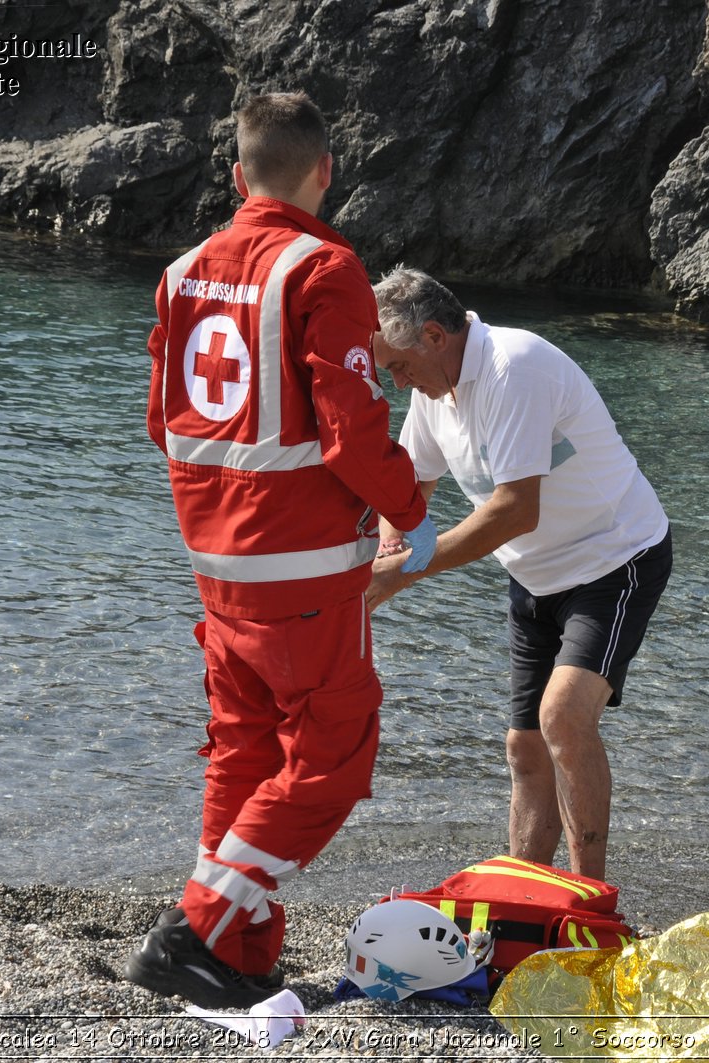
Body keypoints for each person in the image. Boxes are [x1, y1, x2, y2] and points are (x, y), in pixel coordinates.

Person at [126, 93, 437, 1010]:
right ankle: (191, 926)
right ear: (325, 171)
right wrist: (410, 515)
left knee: (245, 750)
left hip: (214, 564)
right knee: (333, 756)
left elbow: (160, 421)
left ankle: (238, 951)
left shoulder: (182, 271)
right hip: (299, 570)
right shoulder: (326, 267)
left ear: (235, 176)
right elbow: (350, 427)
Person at [367, 267, 671, 882]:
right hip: (533, 577)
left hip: (614, 560)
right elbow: (406, 494)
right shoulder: (435, 392)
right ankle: (525, 894)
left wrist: (403, 573)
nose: (396, 385)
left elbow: (514, 510)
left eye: (396, 367)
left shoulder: (513, 367)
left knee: (563, 716)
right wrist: (384, 552)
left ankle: (590, 898)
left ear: (433, 336)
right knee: (524, 745)